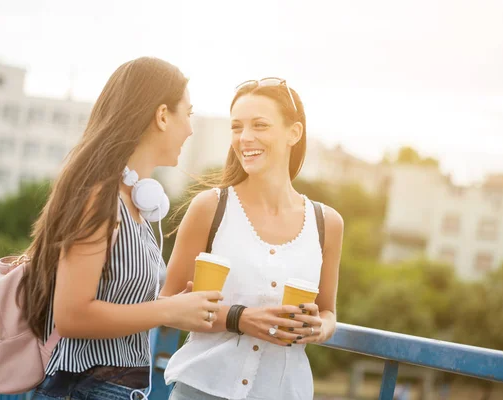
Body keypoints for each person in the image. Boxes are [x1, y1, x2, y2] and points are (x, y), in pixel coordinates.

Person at [19, 57, 223, 400]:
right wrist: (170, 310)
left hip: (112, 388)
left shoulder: (135, 202)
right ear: (161, 116)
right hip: (85, 389)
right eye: (187, 114)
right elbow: (72, 315)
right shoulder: (100, 198)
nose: (190, 128)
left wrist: (177, 306)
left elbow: (111, 299)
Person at [161, 78, 344, 400]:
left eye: (260, 125)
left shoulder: (327, 223)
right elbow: (167, 304)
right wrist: (239, 318)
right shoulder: (210, 207)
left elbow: (327, 312)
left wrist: (319, 328)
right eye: (237, 127)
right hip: (201, 389)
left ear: (294, 133)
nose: (245, 138)